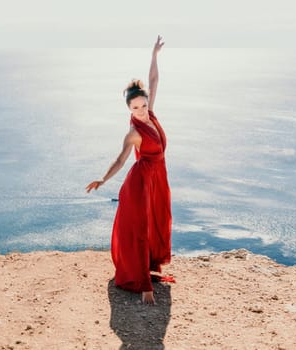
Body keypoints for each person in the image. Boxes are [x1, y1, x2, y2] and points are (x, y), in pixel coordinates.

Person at [86, 35, 172, 305]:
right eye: (135, 108)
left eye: (143, 105)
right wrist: (103, 178)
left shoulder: (152, 114)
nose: (141, 111)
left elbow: (154, 80)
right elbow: (121, 160)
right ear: (129, 110)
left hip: (157, 178)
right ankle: (144, 286)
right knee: (141, 228)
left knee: (157, 223)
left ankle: (147, 268)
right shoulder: (134, 132)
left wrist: (154, 56)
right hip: (141, 182)